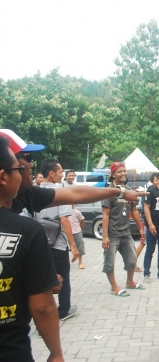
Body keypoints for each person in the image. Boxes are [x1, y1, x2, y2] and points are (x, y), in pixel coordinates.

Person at [0, 136, 64, 361]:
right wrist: (55, 353)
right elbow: (42, 307)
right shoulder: (26, 229)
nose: (24, 171)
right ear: (3, 177)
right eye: (18, 167)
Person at [0, 129, 146, 215]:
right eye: (28, 158)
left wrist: (120, 192)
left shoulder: (25, 195)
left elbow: (75, 193)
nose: (32, 165)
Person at [37, 158, 79, 321]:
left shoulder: (35, 191)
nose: (63, 174)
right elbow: (64, 220)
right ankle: (63, 311)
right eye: (61, 172)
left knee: (42, 279)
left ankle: (43, 310)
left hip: (39, 244)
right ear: (52, 173)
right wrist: (73, 245)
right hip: (57, 244)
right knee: (63, 278)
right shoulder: (60, 193)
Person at [102, 162, 146, 295]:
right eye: (119, 171)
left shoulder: (128, 190)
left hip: (126, 232)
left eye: (124, 171)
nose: (123, 174)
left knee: (132, 260)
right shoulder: (109, 191)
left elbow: (134, 210)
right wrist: (105, 236)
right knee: (110, 262)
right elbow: (105, 214)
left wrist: (141, 228)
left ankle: (130, 282)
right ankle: (114, 287)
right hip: (112, 234)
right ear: (113, 174)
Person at [68, 204, 85, 269]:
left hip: (77, 231)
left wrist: (80, 229)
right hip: (67, 233)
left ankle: (80, 262)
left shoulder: (77, 212)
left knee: (80, 246)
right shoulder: (65, 213)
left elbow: (82, 221)